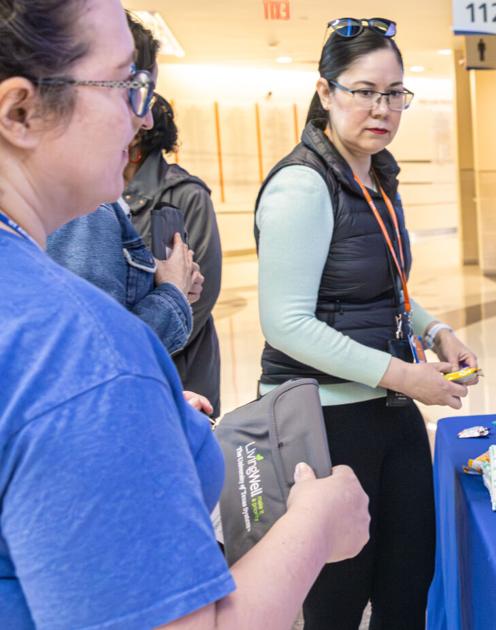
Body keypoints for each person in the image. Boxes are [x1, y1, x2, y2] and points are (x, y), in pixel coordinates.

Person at [0, 1, 370, 627]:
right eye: (126, 85)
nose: (142, 115)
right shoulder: (84, 354)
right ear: (21, 111)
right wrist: (315, 523)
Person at [254, 16, 479, 629]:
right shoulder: (303, 185)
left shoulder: (377, 175)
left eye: (394, 93)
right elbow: (287, 324)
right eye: (363, 90)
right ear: (325, 92)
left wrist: (435, 332)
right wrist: (408, 378)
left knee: (409, 579)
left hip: (384, 407)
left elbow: (383, 288)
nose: (381, 108)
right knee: (337, 600)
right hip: (322, 419)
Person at [45, 13, 202, 358]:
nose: (145, 119)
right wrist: (172, 292)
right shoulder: (83, 208)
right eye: (134, 90)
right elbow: (100, 358)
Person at [124, 95, 224, 416]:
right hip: (132, 356)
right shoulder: (100, 195)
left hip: (181, 363)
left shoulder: (186, 193)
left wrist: (154, 348)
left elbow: (203, 292)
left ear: (141, 132)